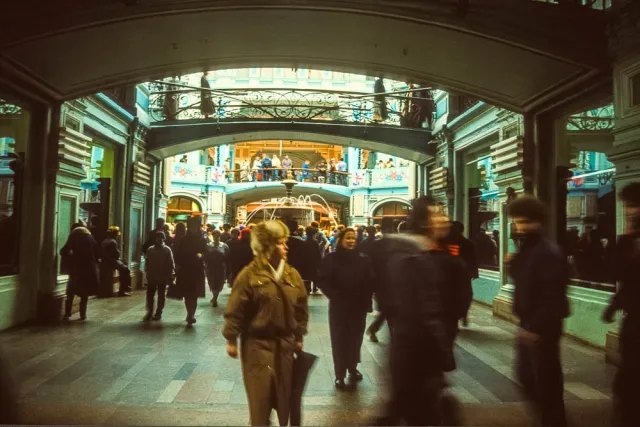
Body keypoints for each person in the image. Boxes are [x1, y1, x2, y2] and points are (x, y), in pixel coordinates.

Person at [372, 196, 454, 426]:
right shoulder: (411, 257)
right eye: (438, 214)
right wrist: (441, 350)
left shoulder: (419, 253)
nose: (444, 219)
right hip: (414, 356)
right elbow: (419, 312)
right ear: (424, 222)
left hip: (417, 355)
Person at [223, 220, 309, 426]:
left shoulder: (292, 274)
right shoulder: (249, 275)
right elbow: (235, 308)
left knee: (284, 400)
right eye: (281, 242)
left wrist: (299, 335)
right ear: (267, 246)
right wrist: (231, 338)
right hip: (257, 345)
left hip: (285, 346)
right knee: (260, 400)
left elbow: (301, 308)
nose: (286, 247)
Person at [507, 196, 569, 427]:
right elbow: (523, 281)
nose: (520, 227)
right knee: (527, 376)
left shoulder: (547, 253)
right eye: (517, 222)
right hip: (529, 323)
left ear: (537, 222)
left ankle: (554, 421)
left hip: (543, 327)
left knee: (545, 380)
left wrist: (534, 328)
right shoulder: (528, 249)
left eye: (524, 222)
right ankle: (552, 418)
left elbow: (552, 295)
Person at [602, 183, 640, 427]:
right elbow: (617, 274)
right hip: (633, 320)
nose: (630, 211)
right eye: (628, 206)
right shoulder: (627, 241)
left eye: (634, 206)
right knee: (628, 377)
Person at [318, 228, 374, 389]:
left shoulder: (364, 259)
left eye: (353, 238)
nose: (351, 241)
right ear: (341, 239)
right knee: (339, 339)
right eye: (348, 238)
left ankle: (352, 367)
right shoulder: (331, 258)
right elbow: (324, 281)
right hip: (339, 307)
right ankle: (339, 374)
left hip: (358, 306)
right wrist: (335, 296)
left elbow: (370, 281)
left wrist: (367, 300)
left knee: (355, 339)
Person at [61, 222, 100, 321]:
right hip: (89, 269)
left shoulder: (74, 236)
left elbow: (63, 251)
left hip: (76, 268)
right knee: (84, 293)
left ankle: (67, 313)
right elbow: (97, 253)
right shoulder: (90, 237)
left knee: (71, 291)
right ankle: (83, 314)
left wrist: (71, 257)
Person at [174, 217, 209, 326]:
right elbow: (178, 253)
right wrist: (177, 265)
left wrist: (201, 255)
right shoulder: (183, 239)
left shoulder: (202, 240)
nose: (193, 229)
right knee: (187, 294)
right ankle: (189, 313)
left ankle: (191, 314)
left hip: (196, 269)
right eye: (192, 227)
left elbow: (206, 253)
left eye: (195, 227)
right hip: (185, 269)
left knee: (193, 294)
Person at [449, 221, 479, 327]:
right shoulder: (467, 243)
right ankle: (461, 314)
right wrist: (474, 273)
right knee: (465, 295)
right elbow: (473, 260)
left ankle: (458, 316)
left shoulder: (447, 244)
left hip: (454, 276)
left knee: (457, 297)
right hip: (462, 275)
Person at [144, 231, 175, 321]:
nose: (159, 239)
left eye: (161, 237)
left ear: (163, 238)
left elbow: (171, 262)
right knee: (150, 295)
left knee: (161, 295)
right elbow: (147, 262)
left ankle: (158, 312)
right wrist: (147, 271)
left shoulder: (167, 250)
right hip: (152, 275)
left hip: (163, 276)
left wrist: (171, 273)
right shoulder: (150, 249)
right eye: (158, 237)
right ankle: (149, 312)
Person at [101, 226, 132, 297]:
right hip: (111, 261)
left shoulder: (104, 241)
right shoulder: (113, 242)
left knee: (123, 266)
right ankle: (124, 289)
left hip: (106, 260)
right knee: (125, 269)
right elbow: (116, 254)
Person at [206, 229, 229, 307]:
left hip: (220, 267)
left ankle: (215, 297)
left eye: (217, 235)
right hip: (210, 267)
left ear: (220, 236)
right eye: (214, 235)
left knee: (219, 282)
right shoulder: (208, 245)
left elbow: (228, 257)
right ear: (212, 236)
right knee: (212, 282)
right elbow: (206, 256)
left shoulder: (224, 246)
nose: (216, 237)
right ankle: (214, 296)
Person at [302, 226, 323, 294]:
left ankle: (308, 288)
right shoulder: (315, 242)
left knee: (307, 274)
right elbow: (318, 252)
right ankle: (314, 287)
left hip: (306, 261)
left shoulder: (304, 242)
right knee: (314, 274)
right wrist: (320, 261)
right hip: (313, 261)